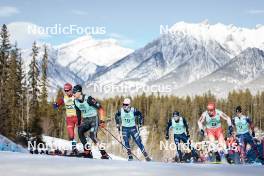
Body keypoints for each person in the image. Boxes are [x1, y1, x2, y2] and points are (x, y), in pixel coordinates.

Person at [72, 84, 109, 159]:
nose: (73, 94)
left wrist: (102, 121)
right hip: (86, 120)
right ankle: (87, 151)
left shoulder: (88, 99)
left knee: (92, 135)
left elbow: (101, 109)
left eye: (74, 92)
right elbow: (78, 112)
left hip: (93, 119)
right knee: (80, 131)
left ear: (79, 92)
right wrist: (79, 123)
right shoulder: (75, 102)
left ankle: (104, 153)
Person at [53, 83, 78, 154]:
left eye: (68, 90)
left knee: (81, 132)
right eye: (65, 90)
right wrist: (56, 105)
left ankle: (87, 149)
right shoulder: (64, 98)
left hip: (77, 117)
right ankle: (74, 149)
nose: (66, 92)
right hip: (69, 119)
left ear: (71, 89)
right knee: (71, 135)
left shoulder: (75, 96)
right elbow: (59, 102)